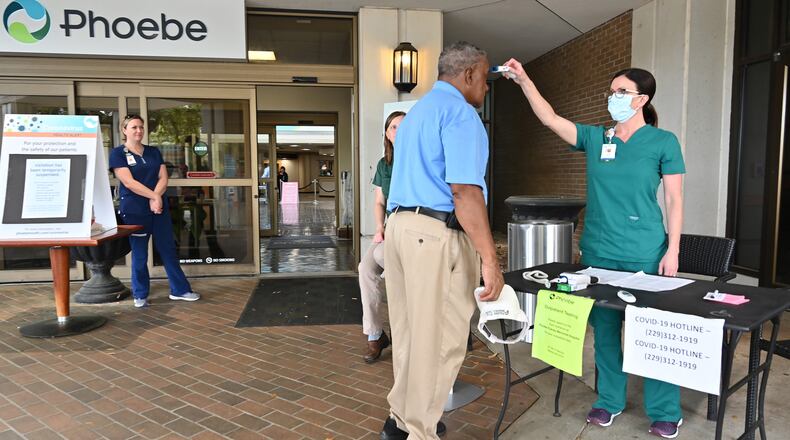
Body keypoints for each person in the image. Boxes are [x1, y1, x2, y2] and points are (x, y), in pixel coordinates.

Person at [502, 59, 685, 438]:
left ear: (641, 100)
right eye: (612, 90)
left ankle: (665, 410)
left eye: (622, 92)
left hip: (645, 252)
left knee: (650, 332)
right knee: (604, 331)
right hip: (599, 251)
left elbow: (675, 199)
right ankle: (609, 401)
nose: (613, 97)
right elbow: (551, 119)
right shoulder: (598, 139)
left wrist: (673, 250)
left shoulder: (663, 142)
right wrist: (523, 81)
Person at [381, 41, 504, 440]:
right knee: (441, 342)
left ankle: (401, 422)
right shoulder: (461, 115)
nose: (485, 89)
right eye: (484, 80)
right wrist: (490, 259)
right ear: (468, 75)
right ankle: (418, 431)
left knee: (409, 335)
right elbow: (465, 191)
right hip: (434, 235)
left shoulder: (416, 115)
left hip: (399, 229)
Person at [109, 115, 201, 308]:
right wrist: (154, 196)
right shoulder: (118, 154)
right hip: (135, 210)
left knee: (168, 250)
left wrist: (156, 197)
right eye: (134, 127)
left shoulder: (153, 152)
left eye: (141, 127)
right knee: (140, 254)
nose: (138, 131)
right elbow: (129, 182)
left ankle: (180, 290)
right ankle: (140, 294)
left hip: (158, 209)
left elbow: (163, 178)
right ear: (124, 130)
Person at [358, 110, 405, 363]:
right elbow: (379, 201)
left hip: (408, 225)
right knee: (365, 269)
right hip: (389, 224)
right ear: (387, 134)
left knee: (384, 260)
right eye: (394, 127)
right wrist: (379, 226)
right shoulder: (383, 164)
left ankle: (406, 329)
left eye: (403, 126)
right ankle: (376, 335)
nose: (399, 131)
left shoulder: (418, 159)